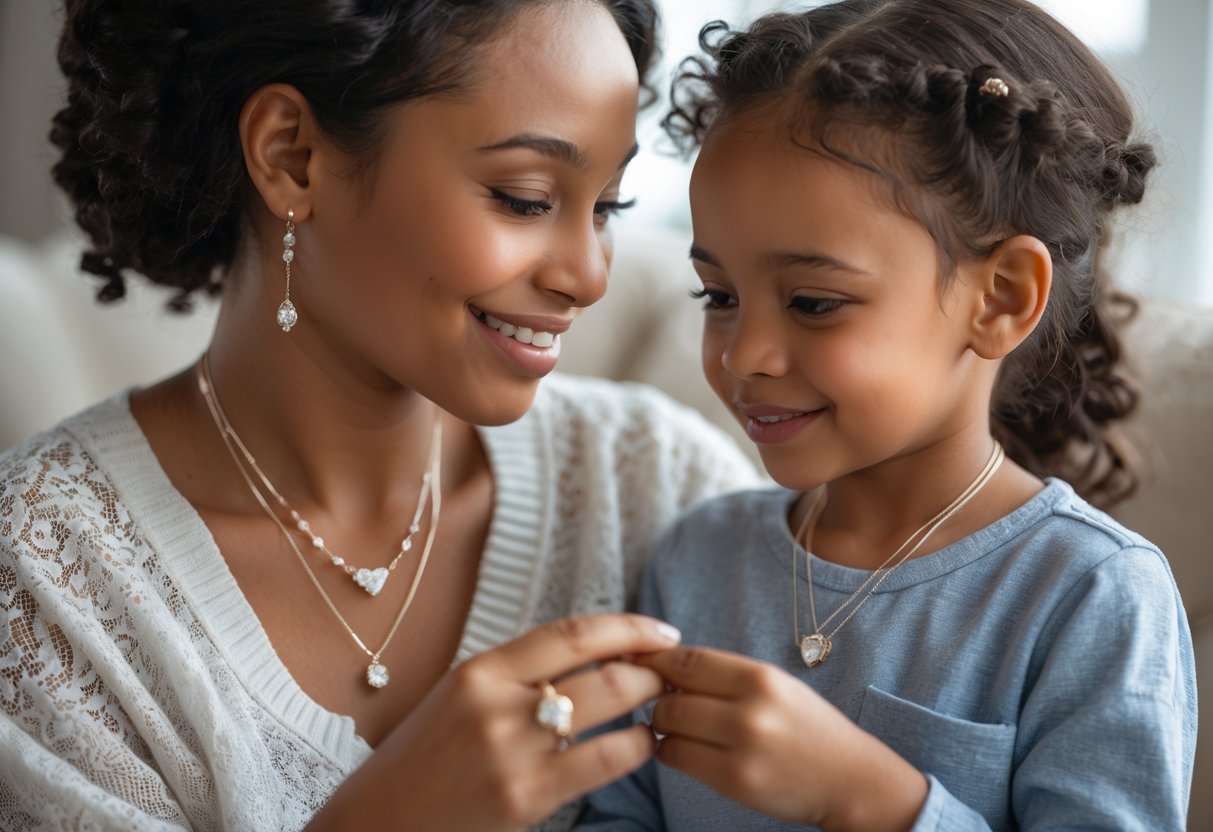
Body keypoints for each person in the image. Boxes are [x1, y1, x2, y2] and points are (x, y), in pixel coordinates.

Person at [0, 1, 762, 830]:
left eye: (607, 207)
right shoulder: (43, 585)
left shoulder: (661, 488)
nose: (587, 274)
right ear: (292, 157)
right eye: (526, 197)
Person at [579, 0, 1198, 829]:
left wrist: (871, 800)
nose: (742, 354)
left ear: (1000, 298)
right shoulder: (695, 558)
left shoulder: (1089, 595)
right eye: (718, 295)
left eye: (812, 301)